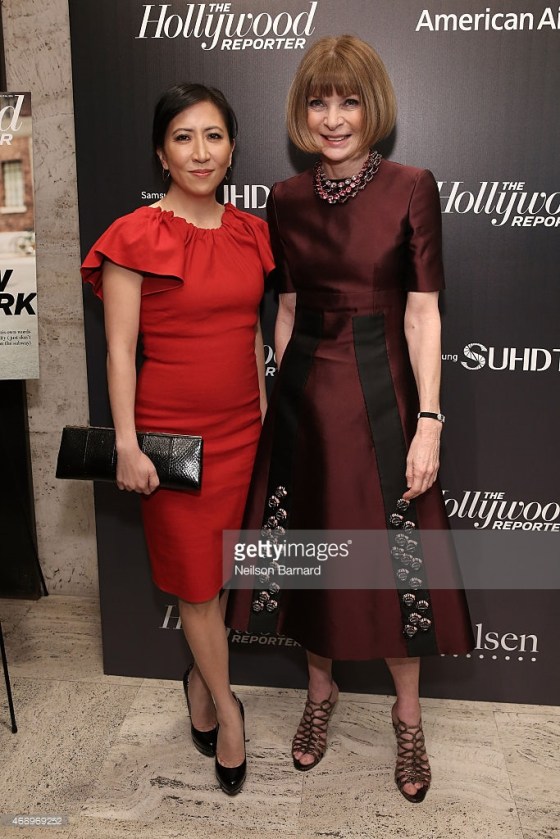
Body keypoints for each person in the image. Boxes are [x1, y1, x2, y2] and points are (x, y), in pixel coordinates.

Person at [226, 36, 474, 803]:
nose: (333, 118)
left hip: (384, 400)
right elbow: (287, 309)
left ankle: (408, 716)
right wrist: (280, 399)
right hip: (305, 402)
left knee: (398, 567)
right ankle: (320, 693)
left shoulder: (411, 187)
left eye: (349, 100)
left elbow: (423, 314)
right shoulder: (284, 198)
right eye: (318, 101)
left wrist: (429, 420)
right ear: (302, 111)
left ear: (374, 108)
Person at [81, 83, 274, 796]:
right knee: (195, 584)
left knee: (219, 577)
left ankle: (198, 677)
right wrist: (128, 444)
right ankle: (228, 708)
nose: (200, 152)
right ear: (161, 153)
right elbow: (119, 351)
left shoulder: (252, 233)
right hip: (171, 444)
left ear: (232, 149)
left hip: (243, 433)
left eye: (213, 136)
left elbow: (251, 334)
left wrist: (264, 417)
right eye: (184, 137)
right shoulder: (135, 235)